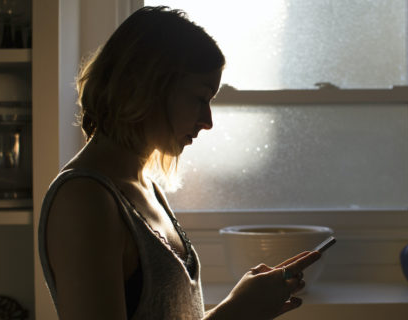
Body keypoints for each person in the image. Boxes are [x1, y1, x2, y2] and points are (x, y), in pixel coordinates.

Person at [37, 6, 321, 320]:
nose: (208, 121)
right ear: (143, 87)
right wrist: (234, 312)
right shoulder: (84, 199)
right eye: (200, 98)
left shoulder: (146, 189)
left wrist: (251, 305)